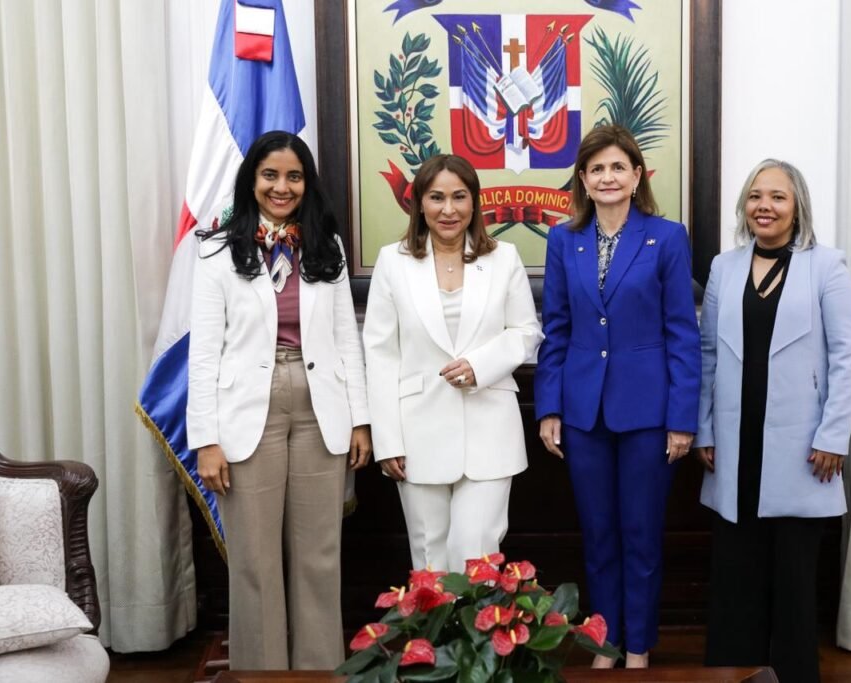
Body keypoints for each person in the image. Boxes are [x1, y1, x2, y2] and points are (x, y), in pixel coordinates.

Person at [187, 130, 371, 671]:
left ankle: (316, 672)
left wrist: (360, 420)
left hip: (321, 408)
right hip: (247, 411)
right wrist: (207, 441)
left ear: (306, 182)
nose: (282, 187)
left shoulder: (326, 245)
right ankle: (261, 675)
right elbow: (204, 354)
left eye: (293, 176)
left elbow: (345, 338)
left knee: (319, 555)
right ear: (252, 180)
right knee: (255, 560)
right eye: (270, 175)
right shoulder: (217, 249)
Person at [534, 124, 701, 668]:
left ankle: (638, 646)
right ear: (582, 179)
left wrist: (682, 418)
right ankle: (604, 642)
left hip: (649, 414)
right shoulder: (564, 240)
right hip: (583, 414)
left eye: (617, 167)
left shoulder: (667, 237)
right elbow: (555, 329)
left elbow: (682, 332)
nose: (607, 177)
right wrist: (550, 407)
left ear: (636, 176)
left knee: (641, 535)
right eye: (596, 168)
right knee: (599, 535)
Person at [693, 159, 851, 682]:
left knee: (793, 576)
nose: (764, 206)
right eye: (755, 196)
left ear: (797, 207)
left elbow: (847, 354)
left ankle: (792, 673)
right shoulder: (725, 267)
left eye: (778, 197)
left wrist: (833, 435)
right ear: (745, 207)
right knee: (736, 573)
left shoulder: (827, 266)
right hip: (735, 441)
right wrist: (704, 428)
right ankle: (734, 670)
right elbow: (706, 354)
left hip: (802, 444)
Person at [363, 154, 542, 574]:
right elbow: (380, 352)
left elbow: (526, 332)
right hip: (416, 433)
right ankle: (435, 642)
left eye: (459, 197)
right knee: (430, 559)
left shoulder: (503, 257)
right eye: (437, 197)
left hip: (490, 431)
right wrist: (388, 441)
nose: (449, 209)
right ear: (419, 203)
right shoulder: (393, 261)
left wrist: (480, 365)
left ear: (474, 202)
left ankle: (476, 638)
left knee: (474, 551)